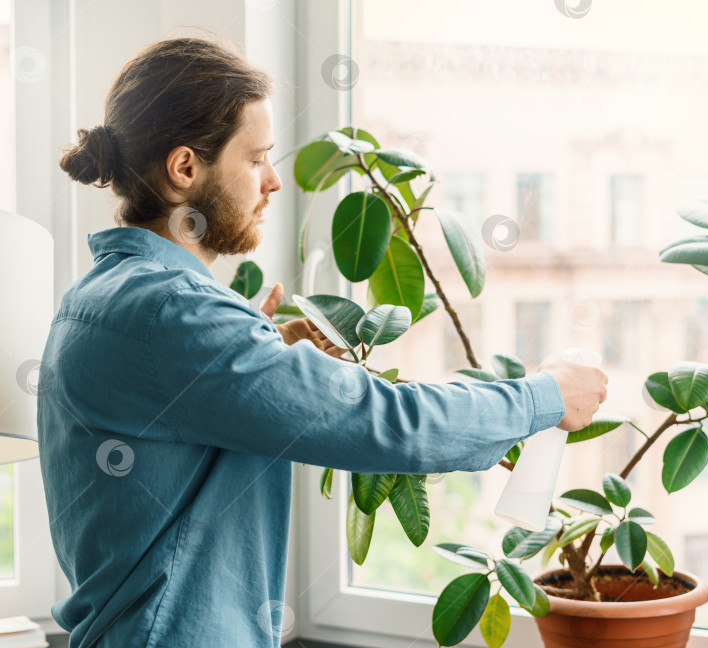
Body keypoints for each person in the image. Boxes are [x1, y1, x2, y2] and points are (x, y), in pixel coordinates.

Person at [37, 36, 608, 648]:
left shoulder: (100, 296)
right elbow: (387, 422)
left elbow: (174, 411)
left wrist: (261, 349)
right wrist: (545, 396)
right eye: (256, 158)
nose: (273, 181)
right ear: (184, 169)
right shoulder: (172, 313)